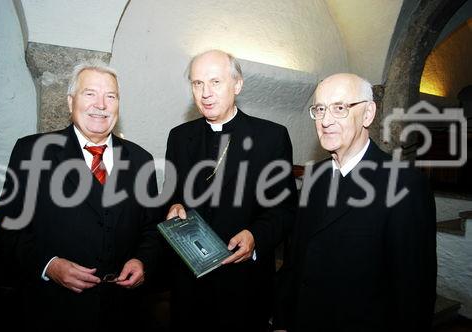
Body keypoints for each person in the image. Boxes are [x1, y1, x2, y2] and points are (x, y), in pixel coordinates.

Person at [0, 60, 160, 330]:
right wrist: (49, 265)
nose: (101, 104)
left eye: (110, 96)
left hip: (123, 314)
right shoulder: (33, 152)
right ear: (71, 102)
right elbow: (5, 229)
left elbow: (151, 228)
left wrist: (142, 260)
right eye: (90, 93)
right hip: (53, 313)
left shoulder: (141, 159)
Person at [273, 73, 437, 331]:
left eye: (340, 108)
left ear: (368, 114)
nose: (326, 121)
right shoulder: (314, 176)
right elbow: (296, 262)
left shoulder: (406, 184)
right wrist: (282, 321)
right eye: (320, 109)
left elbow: (413, 291)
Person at [163, 49, 297, 331]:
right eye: (197, 83)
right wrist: (173, 206)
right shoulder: (179, 137)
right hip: (189, 281)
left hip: (243, 283)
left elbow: (284, 209)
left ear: (237, 85)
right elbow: (172, 194)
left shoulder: (271, 137)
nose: (205, 93)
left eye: (215, 82)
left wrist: (255, 237)